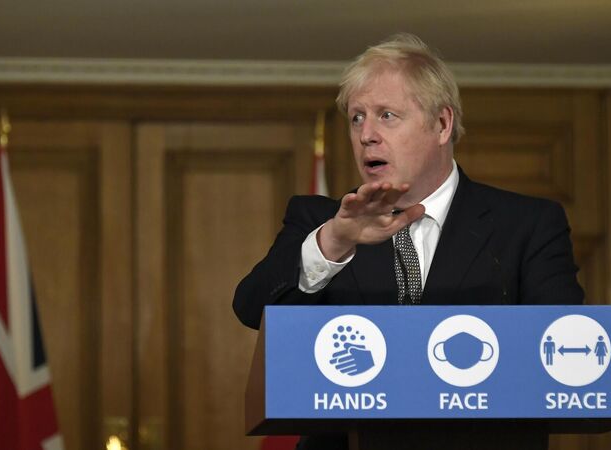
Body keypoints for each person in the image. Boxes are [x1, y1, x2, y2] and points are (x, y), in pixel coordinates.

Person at [233, 33, 584, 450]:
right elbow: (251, 309)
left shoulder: (527, 225)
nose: (366, 135)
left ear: (442, 125)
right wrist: (333, 243)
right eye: (357, 118)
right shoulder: (320, 221)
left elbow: (562, 351)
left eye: (386, 115)